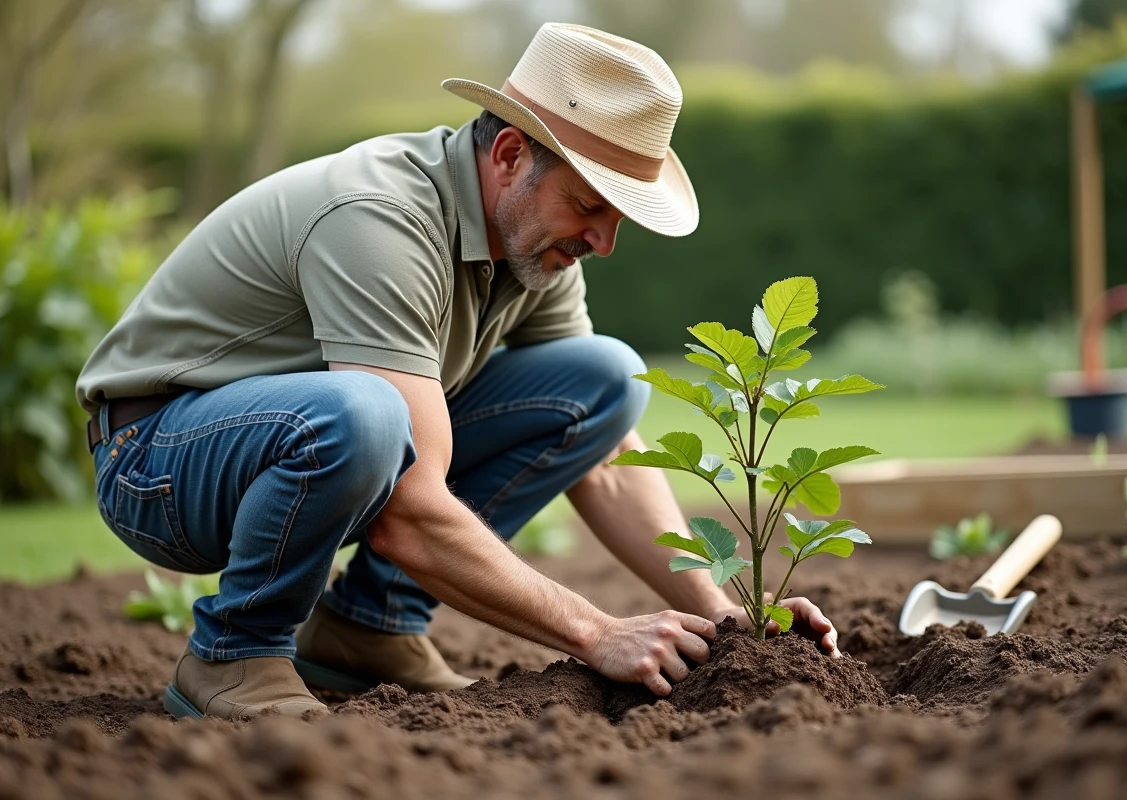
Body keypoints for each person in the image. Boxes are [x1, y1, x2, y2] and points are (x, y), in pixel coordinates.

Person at [76, 22, 839, 721]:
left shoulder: (532, 244)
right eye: (591, 204)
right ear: (510, 156)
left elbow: (606, 458)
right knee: (368, 416)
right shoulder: (380, 219)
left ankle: (368, 630)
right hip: (158, 461)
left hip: (302, 442)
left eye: (620, 217)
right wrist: (595, 631)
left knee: (605, 377)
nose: (605, 241)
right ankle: (235, 655)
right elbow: (407, 508)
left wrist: (730, 611)